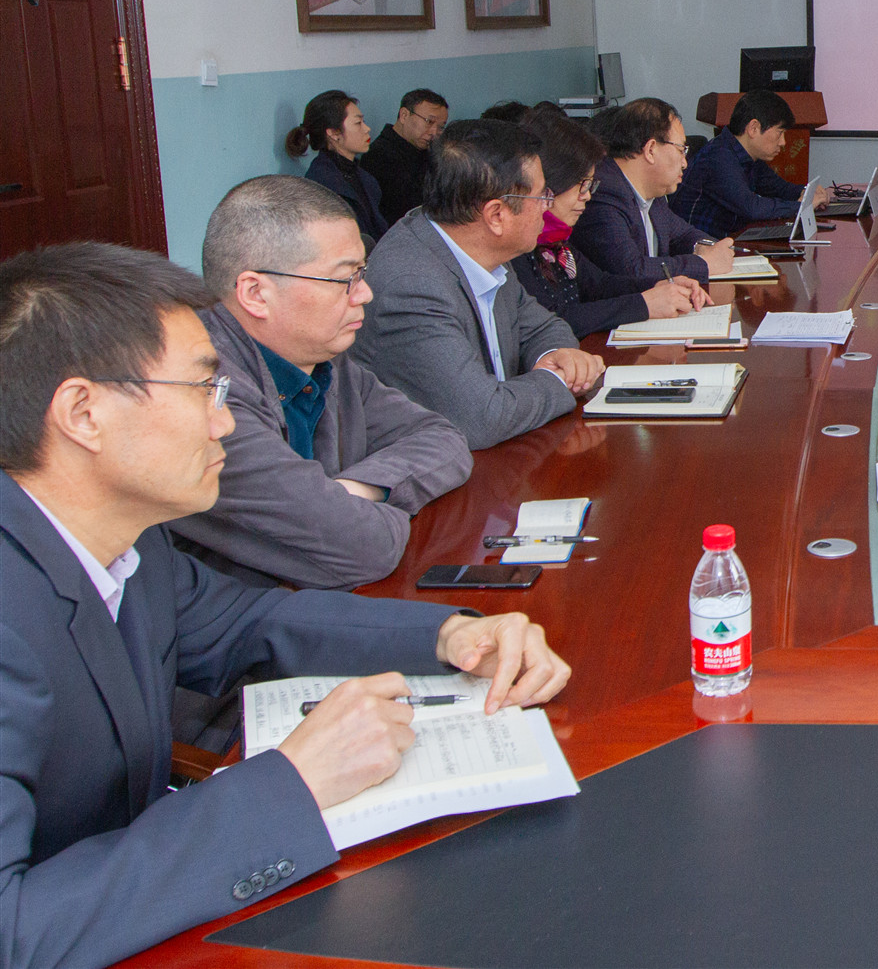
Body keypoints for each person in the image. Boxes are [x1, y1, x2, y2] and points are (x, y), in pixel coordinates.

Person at [0, 241, 571, 968]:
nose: (225, 424)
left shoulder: (126, 541)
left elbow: (248, 621)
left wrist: (451, 634)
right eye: (202, 389)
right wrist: (291, 783)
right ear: (83, 412)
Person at [163, 175, 472, 591]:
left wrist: (355, 489)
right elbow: (363, 547)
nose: (365, 294)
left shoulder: (322, 361)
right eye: (345, 279)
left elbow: (444, 438)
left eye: (362, 273)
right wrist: (342, 512)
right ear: (255, 293)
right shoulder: (202, 394)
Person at [354, 120, 604, 450]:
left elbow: (543, 327)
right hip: (430, 473)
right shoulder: (412, 287)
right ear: (496, 215)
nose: (548, 206)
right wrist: (560, 380)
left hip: (501, 456)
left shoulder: (481, 247)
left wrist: (559, 354)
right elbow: (482, 418)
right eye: (542, 195)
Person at [513, 109, 702, 338]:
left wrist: (661, 286)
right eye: (582, 185)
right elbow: (554, 320)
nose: (587, 196)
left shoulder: (556, 240)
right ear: (551, 183)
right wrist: (644, 304)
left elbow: (600, 285)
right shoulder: (518, 249)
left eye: (589, 185)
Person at [574, 99, 734, 286]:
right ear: (650, 150)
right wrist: (703, 264)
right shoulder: (603, 193)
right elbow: (631, 270)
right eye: (681, 150)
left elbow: (683, 235)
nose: (685, 163)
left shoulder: (653, 191)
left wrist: (703, 247)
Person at [671, 90, 830, 238]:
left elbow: (778, 188)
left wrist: (808, 192)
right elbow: (752, 208)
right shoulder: (718, 157)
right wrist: (801, 206)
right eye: (780, 133)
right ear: (753, 128)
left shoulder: (748, 155)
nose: (783, 142)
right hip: (704, 248)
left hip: (732, 240)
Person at [286, 90, 388, 243]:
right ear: (333, 133)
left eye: (364, 122)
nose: (367, 128)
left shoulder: (363, 177)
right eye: (358, 123)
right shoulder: (321, 185)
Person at [358, 87, 449, 227]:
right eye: (429, 121)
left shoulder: (430, 153)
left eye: (441, 127)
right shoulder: (378, 157)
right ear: (404, 115)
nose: (434, 132)